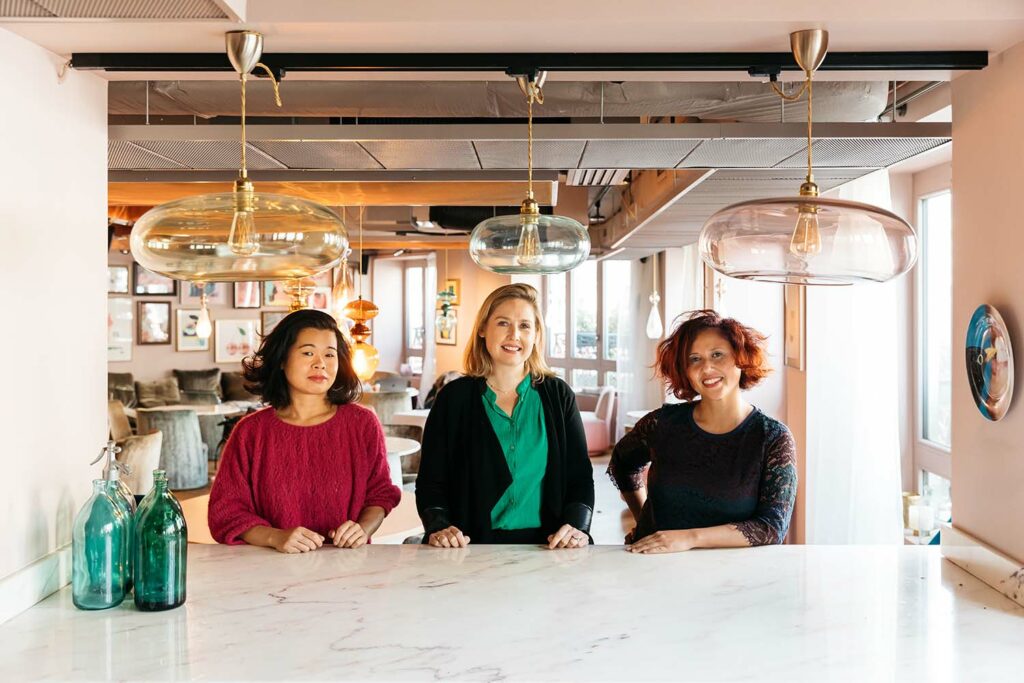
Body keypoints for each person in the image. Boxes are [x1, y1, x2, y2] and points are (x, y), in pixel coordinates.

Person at [416, 284, 594, 548]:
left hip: (549, 548)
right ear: (482, 329)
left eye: (524, 326)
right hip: (468, 549)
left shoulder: (559, 396)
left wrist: (578, 527)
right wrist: (438, 526)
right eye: (503, 323)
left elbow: (580, 476)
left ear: (536, 335)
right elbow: (431, 481)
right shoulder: (453, 399)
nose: (514, 335)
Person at [208, 309, 401, 553]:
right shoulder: (251, 432)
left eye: (330, 354)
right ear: (281, 360)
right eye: (308, 352)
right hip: (269, 572)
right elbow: (226, 512)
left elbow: (380, 493)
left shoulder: (362, 423)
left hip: (347, 568)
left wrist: (362, 529)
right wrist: (274, 537)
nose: (321, 363)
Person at [608, 309, 797, 554]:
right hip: (654, 570)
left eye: (717, 355)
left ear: (741, 358)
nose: (707, 367)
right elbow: (622, 463)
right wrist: (646, 520)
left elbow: (772, 527)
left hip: (731, 579)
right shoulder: (661, 424)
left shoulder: (772, 438)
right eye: (694, 359)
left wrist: (688, 538)